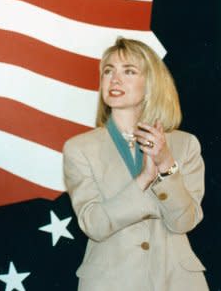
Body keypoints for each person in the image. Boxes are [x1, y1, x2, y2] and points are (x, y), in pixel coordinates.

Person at [62, 38, 208, 290]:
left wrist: (167, 166)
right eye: (108, 71)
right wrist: (142, 180)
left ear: (151, 84)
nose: (114, 79)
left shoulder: (185, 145)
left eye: (128, 71)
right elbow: (94, 224)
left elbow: (184, 222)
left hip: (177, 281)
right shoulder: (79, 149)